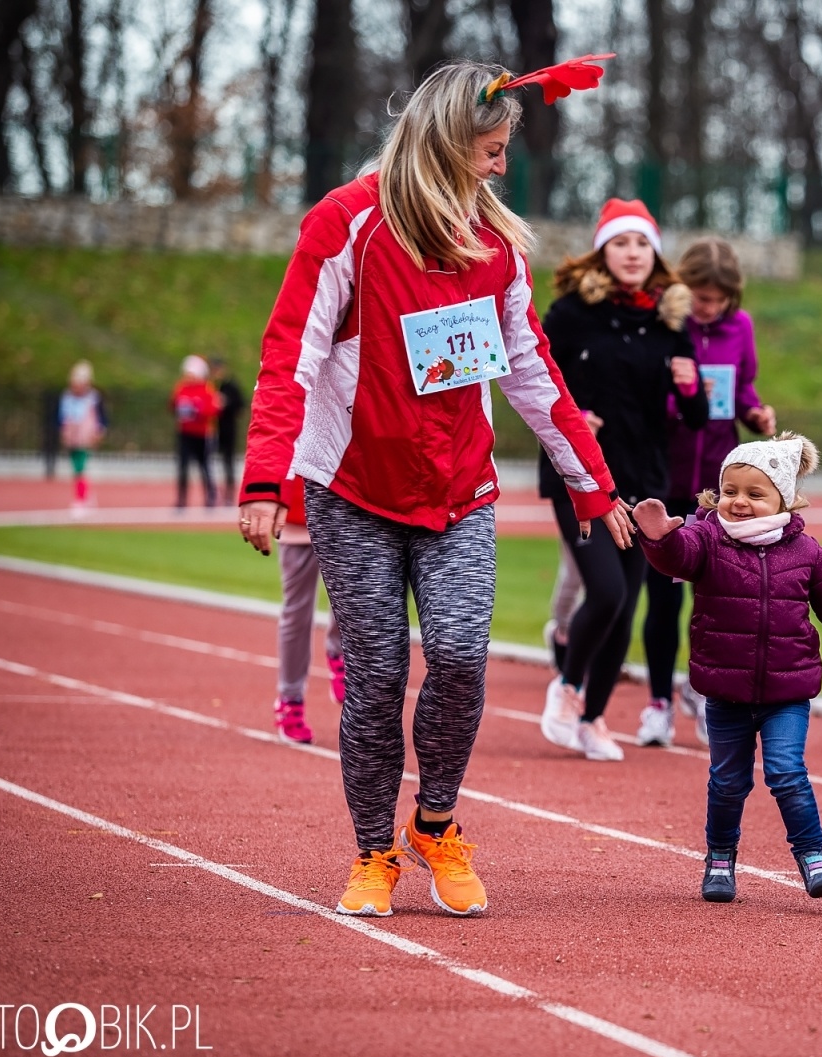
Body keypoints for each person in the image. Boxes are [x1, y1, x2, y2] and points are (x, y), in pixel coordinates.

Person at [237, 57, 628, 920]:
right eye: (489, 151)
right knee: (375, 674)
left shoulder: (496, 246)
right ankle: (373, 849)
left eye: (503, 153)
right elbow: (289, 355)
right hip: (354, 492)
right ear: (446, 142)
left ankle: (436, 822)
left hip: (461, 491)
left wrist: (593, 487)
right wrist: (268, 476)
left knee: (458, 654)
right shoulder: (345, 223)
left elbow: (532, 371)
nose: (499, 168)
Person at [634, 432, 822, 903]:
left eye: (755, 494)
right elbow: (681, 556)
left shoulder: (807, 553)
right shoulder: (707, 539)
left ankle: (813, 857)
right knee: (728, 781)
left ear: (785, 499)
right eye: (730, 492)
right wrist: (659, 538)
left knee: (787, 772)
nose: (739, 503)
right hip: (726, 691)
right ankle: (719, 859)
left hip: (787, 694)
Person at [536, 198, 709, 761]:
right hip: (578, 474)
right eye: (621, 243)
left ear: (654, 255)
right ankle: (566, 686)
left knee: (626, 604)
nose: (632, 253)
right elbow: (536, 383)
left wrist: (688, 389)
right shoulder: (567, 314)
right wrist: (573, 418)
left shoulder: (669, 322)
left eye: (642, 244)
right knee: (604, 589)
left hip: (644, 477)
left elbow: (696, 416)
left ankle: (592, 719)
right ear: (602, 251)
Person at [638, 236, 775, 749]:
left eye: (717, 299)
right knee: (662, 595)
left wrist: (756, 412)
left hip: (720, 483)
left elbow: (743, 389)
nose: (708, 307)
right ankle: (657, 701)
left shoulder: (740, 328)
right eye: (700, 296)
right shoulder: (665, 322)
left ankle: (701, 691)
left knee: (714, 595)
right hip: (665, 472)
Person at [270, 474, 346, 745]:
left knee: (353, 594)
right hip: (297, 504)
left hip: (347, 502)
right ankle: (290, 700)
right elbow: (270, 436)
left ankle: (340, 654)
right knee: (298, 611)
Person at [172, 354, 221, 508]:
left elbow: (213, 409)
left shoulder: (207, 388)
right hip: (185, 433)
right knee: (183, 467)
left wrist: (197, 410)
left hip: (203, 434)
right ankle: (181, 499)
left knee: (205, 467)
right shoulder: (181, 387)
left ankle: (210, 497)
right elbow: (173, 404)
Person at [58, 360, 107, 511]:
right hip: (72, 436)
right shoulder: (67, 397)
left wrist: (99, 432)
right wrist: (64, 431)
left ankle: (81, 498)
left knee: (81, 467)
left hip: (86, 436)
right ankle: (85, 495)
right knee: (77, 468)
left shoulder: (93, 398)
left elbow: (102, 418)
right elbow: (62, 416)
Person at [211, 358, 247, 495]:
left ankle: (229, 490)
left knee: (228, 460)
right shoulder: (212, 386)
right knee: (212, 461)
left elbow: (240, 406)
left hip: (228, 428)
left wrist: (226, 403)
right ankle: (214, 491)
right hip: (213, 429)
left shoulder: (232, 386)